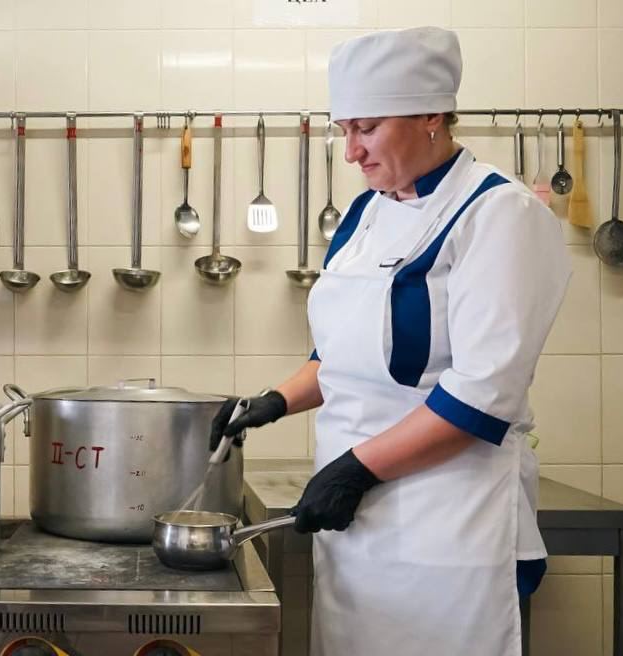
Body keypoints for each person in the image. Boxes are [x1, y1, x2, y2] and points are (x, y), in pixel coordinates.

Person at [208, 27, 570, 656]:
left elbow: (485, 394)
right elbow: (344, 356)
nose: (351, 152)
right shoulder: (367, 210)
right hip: (358, 518)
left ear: (432, 113)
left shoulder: (498, 214)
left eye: (367, 129)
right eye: (344, 129)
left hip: (449, 521)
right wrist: (271, 401)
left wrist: (356, 468)